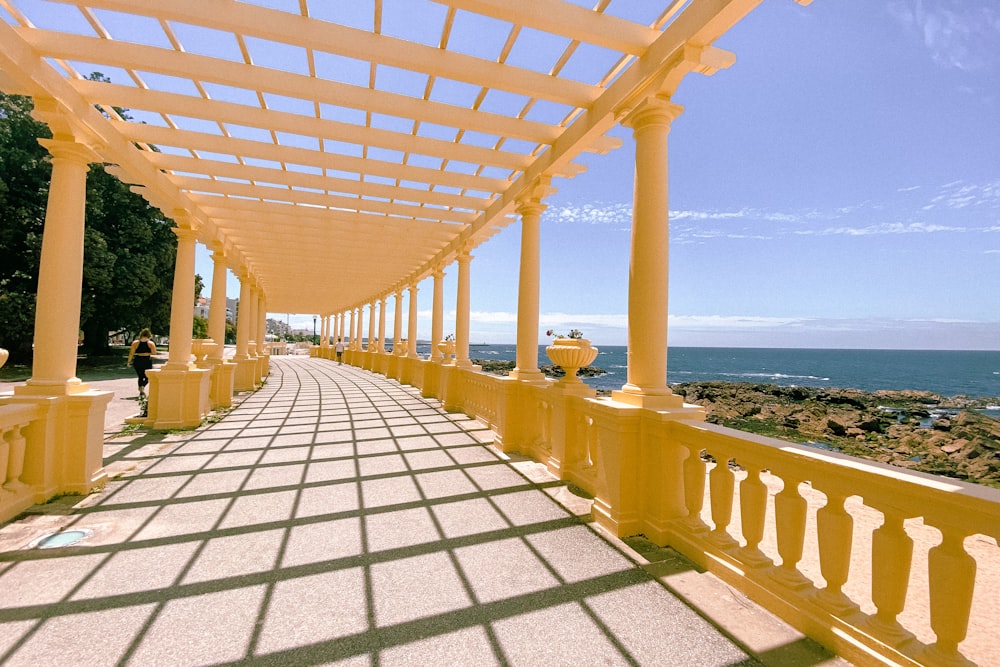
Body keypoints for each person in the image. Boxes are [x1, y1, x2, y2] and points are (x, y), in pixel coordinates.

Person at [126, 328, 157, 395]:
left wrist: (129, 362)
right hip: (146, 360)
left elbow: (131, 353)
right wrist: (147, 353)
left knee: (140, 376)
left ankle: (141, 389)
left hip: (138, 360)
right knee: (147, 376)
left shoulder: (135, 343)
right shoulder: (150, 343)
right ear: (149, 335)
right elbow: (154, 353)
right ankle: (142, 386)